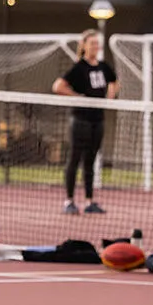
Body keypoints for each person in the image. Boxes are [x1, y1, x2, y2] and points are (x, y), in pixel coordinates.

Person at [51, 29, 118, 215]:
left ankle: (90, 202)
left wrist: (110, 98)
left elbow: (114, 81)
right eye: (92, 43)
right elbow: (58, 86)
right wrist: (77, 96)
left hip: (98, 120)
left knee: (90, 161)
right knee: (74, 159)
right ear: (84, 45)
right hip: (80, 120)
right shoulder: (78, 67)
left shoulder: (103, 67)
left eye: (97, 44)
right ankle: (69, 201)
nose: (95, 47)